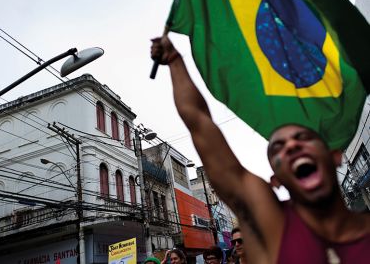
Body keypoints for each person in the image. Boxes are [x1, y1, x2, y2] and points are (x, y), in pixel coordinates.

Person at [151, 36, 370, 264]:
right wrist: (174, 60)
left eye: (303, 138)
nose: (292, 146)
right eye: (278, 148)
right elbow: (199, 120)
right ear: (276, 181)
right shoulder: (271, 225)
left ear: (334, 156)